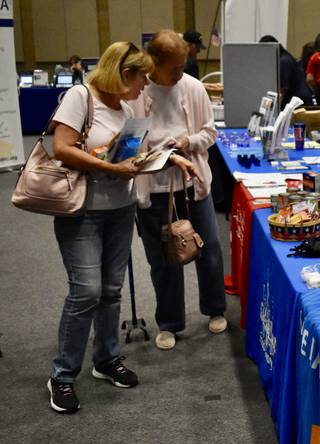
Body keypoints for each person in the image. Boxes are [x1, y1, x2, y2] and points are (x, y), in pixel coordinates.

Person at [46, 41, 197, 413]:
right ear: (123, 74)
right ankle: (62, 376)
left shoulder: (128, 107)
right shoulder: (80, 97)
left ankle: (106, 359)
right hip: (81, 211)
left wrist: (169, 158)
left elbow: (134, 157)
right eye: (142, 77)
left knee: (111, 290)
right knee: (86, 291)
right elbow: (62, 147)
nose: (146, 85)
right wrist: (112, 169)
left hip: (119, 209)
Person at [129, 30, 227, 351]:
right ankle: (169, 322)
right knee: (164, 259)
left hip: (193, 184)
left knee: (208, 249)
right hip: (153, 189)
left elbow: (209, 132)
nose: (179, 72)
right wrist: (165, 156)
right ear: (153, 64)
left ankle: (215, 308)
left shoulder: (193, 87)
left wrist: (188, 142)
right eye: (173, 67)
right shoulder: (138, 92)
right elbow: (132, 145)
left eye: (183, 64)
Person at [259, 35, 313, 108]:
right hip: (298, 99)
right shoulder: (285, 58)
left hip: (299, 101)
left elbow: (282, 89)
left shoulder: (284, 61)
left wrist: (276, 109)